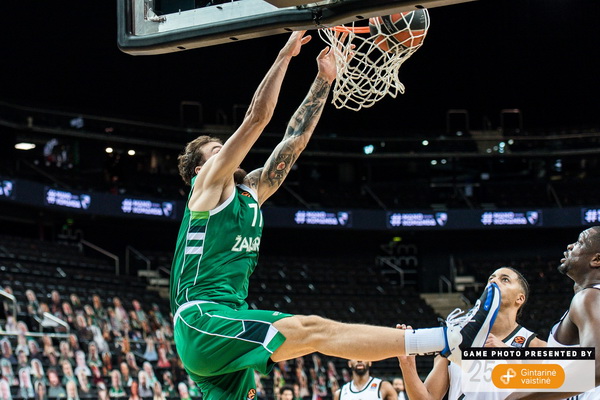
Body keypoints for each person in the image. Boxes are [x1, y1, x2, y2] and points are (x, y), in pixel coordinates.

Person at [169, 30, 501, 400]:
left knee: (313, 336)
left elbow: (293, 142)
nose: (226, 151)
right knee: (313, 329)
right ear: (200, 170)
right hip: (202, 318)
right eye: (217, 150)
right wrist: (284, 56)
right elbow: (255, 119)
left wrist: (323, 80)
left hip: (225, 322)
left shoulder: (252, 193)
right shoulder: (207, 188)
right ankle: (446, 338)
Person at [398, 266, 545, 400]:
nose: (494, 282)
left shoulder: (533, 343)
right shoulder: (454, 339)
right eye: (491, 279)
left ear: (520, 298)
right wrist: (407, 365)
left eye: (504, 279)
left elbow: (557, 386)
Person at [507, 228, 600, 400]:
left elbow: (596, 367)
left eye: (580, 242)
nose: (570, 246)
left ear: (596, 259)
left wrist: (520, 397)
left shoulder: (590, 297)